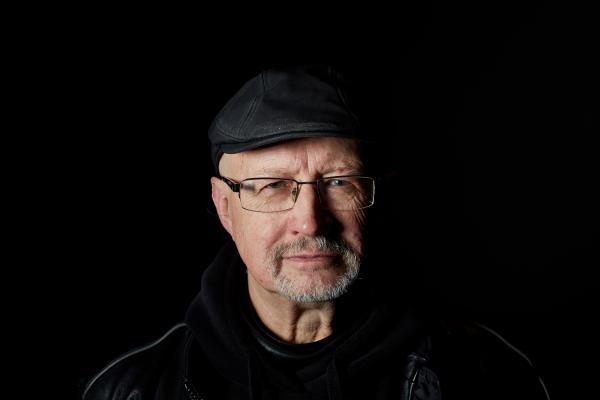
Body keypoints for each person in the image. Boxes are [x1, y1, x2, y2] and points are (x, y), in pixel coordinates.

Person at [82, 65, 550, 400]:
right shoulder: (132, 389)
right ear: (224, 207)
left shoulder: (489, 375)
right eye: (272, 185)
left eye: (339, 183)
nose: (310, 221)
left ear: (378, 196)